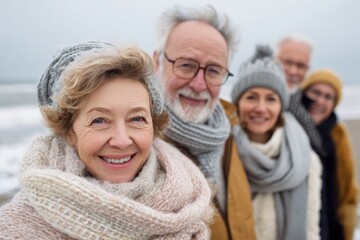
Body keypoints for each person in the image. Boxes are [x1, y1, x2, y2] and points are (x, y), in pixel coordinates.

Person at [0, 42, 213, 239]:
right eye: (99, 120)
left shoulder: (187, 202)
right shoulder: (16, 228)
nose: (121, 141)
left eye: (137, 118)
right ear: (68, 131)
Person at [152, 4, 256, 240]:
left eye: (213, 71)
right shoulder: (134, 146)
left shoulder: (230, 130)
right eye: (186, 65)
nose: (199, 85)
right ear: (157, 62)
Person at [231, 45, 322, 240]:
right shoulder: (224, 155)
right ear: (238, 102)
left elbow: (311, 229)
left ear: (281, 106)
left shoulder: (306, 160)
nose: (261, 108)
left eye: (271, 99)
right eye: (251, 97)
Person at [301, 69, 359, 240]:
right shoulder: (291, 129)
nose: (320, 101)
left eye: (328, 97)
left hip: (332, 229)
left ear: (334, 104)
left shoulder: (338, 135)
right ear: (304, 94)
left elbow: (348, 191)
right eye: (315, 92)